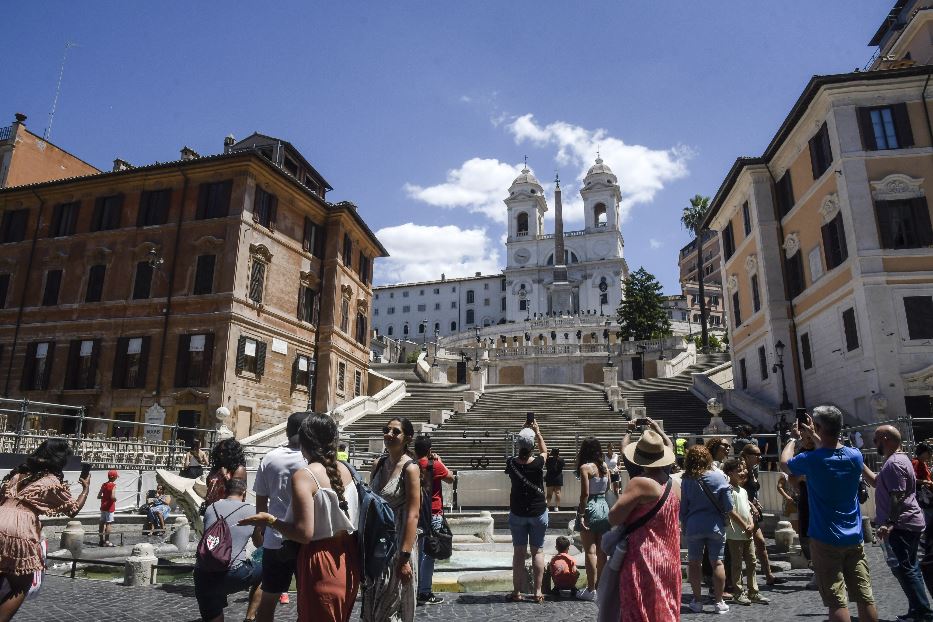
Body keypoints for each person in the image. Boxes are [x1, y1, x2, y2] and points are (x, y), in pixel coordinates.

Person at [240, 413, 361, 622]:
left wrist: (269, 520)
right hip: (348, 556)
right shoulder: (347, 470)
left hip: (319, 559)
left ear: (303, 442)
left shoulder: (305, 475)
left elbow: (304, 534)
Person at [781, 406, 878, 622]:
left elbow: (785, 463)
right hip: (854, 536)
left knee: (836, 601)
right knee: (865, 597)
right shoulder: (854, 456)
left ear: (817, 427)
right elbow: (833, 449)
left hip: (825, 538)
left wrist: (793, 438)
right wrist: (817, 434)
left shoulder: (813, 459)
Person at [0, 439, 90, 621]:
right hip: (19, 526)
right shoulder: (50, 480)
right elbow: (72, 509)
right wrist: (85, 489)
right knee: (21, 585)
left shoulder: (18, 472)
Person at [608, 428, 681, 622]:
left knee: (639, 610)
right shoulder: (674, 485)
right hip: (670, 559)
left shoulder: (640, 483)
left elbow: (614, 517)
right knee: (665, 610)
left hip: (643, 557)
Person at [863, 425, 932, 622]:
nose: (874, 444)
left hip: (902, 524)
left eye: (876, 440)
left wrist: (889, 522)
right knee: (910, 567)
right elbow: (877, 482)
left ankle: (923, 614)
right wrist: (860, 463)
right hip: (906, 522)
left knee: (906, 569)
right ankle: (917, 610)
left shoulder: (894, 463)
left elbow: (898, 495)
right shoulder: (898, 460)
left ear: (885, 438)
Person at [250, 411, 310, 621]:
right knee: (307, 599)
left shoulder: (270, 458)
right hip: (306, 539)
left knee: (268, 599)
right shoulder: (311, 460)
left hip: (275, 539)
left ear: (287, 431)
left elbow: (261, 501)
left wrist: (262, 531)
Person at [361, 417, 421, 622]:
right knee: (371, 599)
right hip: (376, 542)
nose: (389, 434)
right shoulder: (378, 464)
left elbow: (414, 514)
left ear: (407, 438)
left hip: (397, 543)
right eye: (386, 430)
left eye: (396, 432)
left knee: (390, 604)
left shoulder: (411, 468)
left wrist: (404, 557)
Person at [194, 478, 263, 622]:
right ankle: (250, 618)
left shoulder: (210, 507)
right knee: (267, 569)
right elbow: (258, 543)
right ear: (244, 493)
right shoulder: (252, 510)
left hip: (202, 573)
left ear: (224, 491)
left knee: (213, 616)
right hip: (233, 573)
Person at [680, 444, 733, 614]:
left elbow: (683, 508)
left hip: (694, 525)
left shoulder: (687, 480)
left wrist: (684, 524)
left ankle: (697, 601)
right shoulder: (719, 478)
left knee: (694, 562)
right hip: (715, 525)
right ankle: (719, 602)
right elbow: (729, 505)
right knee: (717, 562)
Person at [504, 420, 548, 603]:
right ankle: (537, 592)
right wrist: (537, 433)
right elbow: (544, 451)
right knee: (537, 552)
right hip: (538, 512)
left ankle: (517, 591)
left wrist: (524, 430)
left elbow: (517, 458)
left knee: (518, 553)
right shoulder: (538, 463)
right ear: (532, 447)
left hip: (518, 512)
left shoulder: (511, 463)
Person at [723, 458, 769, 605]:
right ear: (730, 473)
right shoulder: (728, 489)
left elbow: (748, 510)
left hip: (747, 532)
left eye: (743, 470)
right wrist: (744, 525)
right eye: (739, 471)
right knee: (737, 564)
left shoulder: (742, 490)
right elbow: (731, 511)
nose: (743, 473)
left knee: (752, 562)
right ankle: (738, 592)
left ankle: (753, 591)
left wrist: (751, 523)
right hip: (735, 533)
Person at [414, 435, 454, 606]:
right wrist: (440, 460)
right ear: (429, 450)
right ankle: (424, 592)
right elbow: (451, 478)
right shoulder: (434, 465)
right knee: (430, 554)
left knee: (420, 552)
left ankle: (417, 588)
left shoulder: (413, 465)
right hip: (433, 512)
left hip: (416, 513)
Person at [740, 444, 784, 586]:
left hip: (753, 511)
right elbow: (736, 492)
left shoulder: (753, 471)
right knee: (744, 547)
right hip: (744, 512)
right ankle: (738, 580)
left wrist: (755, 501)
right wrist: (751, 504)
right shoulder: (742, 471)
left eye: (760, 454)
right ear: (747, 456)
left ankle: (768, 575)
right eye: (756, 455)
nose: (760, 457)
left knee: (761, 544)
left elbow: (750, 491)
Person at [575, 436, 610, 602]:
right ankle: (601, 587)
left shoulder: (585, 468)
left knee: (590, 550)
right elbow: (608, 488)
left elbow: (585, 494)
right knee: (602, 551)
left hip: (590, 506)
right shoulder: (605, 467)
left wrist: (581, 514)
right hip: (604, 506)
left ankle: (591, 589)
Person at [914, 443, 933, 596]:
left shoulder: (923, 463)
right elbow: (913, 479)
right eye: (928, 452)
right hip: (925, 499)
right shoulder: (916, 463)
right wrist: (926, 482)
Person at [205, 438, 248, 505]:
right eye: (220, 451)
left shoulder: (239, 469)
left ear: (232, 453)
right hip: (212, 507)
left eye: (224, 451)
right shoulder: (218, 467)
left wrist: (224, 475)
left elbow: (235, 491)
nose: (221, 454)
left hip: (228, 508)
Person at [548, 536, 579, 600]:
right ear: (568, 548)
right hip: (570, 584)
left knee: (552, 570)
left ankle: (555, 588)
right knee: (577, 572)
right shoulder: (571, 559)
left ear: (556, 548)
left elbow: (551, 571)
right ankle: (573, 588)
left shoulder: (553, 559)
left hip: (558, 584)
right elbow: (575, 571)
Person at [97, 469, 118, 547]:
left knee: (102, 522)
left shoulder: (104, 484)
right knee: (108, 523)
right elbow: (112, 496)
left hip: (103, 506)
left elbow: (99, 496)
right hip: (110, 507)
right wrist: (114, 499)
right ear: (114, 477)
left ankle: (101, 540)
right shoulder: (113, 485)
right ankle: (107, 541)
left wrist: (105, 497)